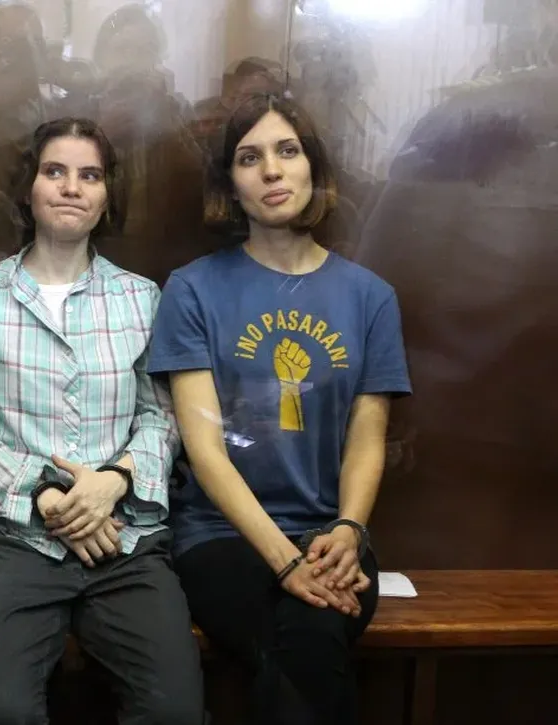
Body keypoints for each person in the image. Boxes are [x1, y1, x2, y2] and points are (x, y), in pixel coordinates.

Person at [147, 93, 411, 725]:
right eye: (249, 157)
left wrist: (348, 531)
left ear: (312, 170)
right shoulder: (192, 289)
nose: (271, 170)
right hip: (219, 537)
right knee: (302, 643)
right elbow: (204, 449)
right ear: (230, 185)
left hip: (332, 535)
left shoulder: (370, 297)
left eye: (287, 151)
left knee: (310, 638)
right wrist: (284, 558)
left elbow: (367, 441)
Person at [0, 117, 205, 725]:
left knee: (175, 713)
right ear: (28, 187)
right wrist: (56, 499)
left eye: (89, 175)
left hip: (126, 541)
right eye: (54, 171)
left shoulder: (142, 299)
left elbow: (161, 417)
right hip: (14, 540)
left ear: (107, 194)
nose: (71, 187)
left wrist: (111, 482)